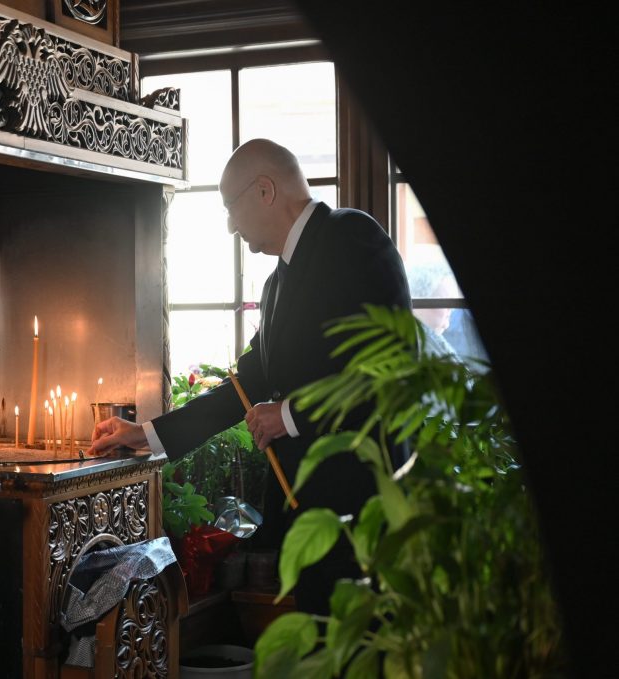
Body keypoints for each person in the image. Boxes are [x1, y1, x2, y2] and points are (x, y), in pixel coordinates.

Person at [88, 139, 411, 615]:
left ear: (265, 190)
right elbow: (244, 385)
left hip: (365, 510)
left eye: (230, 207)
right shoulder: (277, 283)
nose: (230, 225)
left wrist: (289, 415)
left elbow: (387, 367)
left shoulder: (352, 237)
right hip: (310, 521)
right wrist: (145, 434)